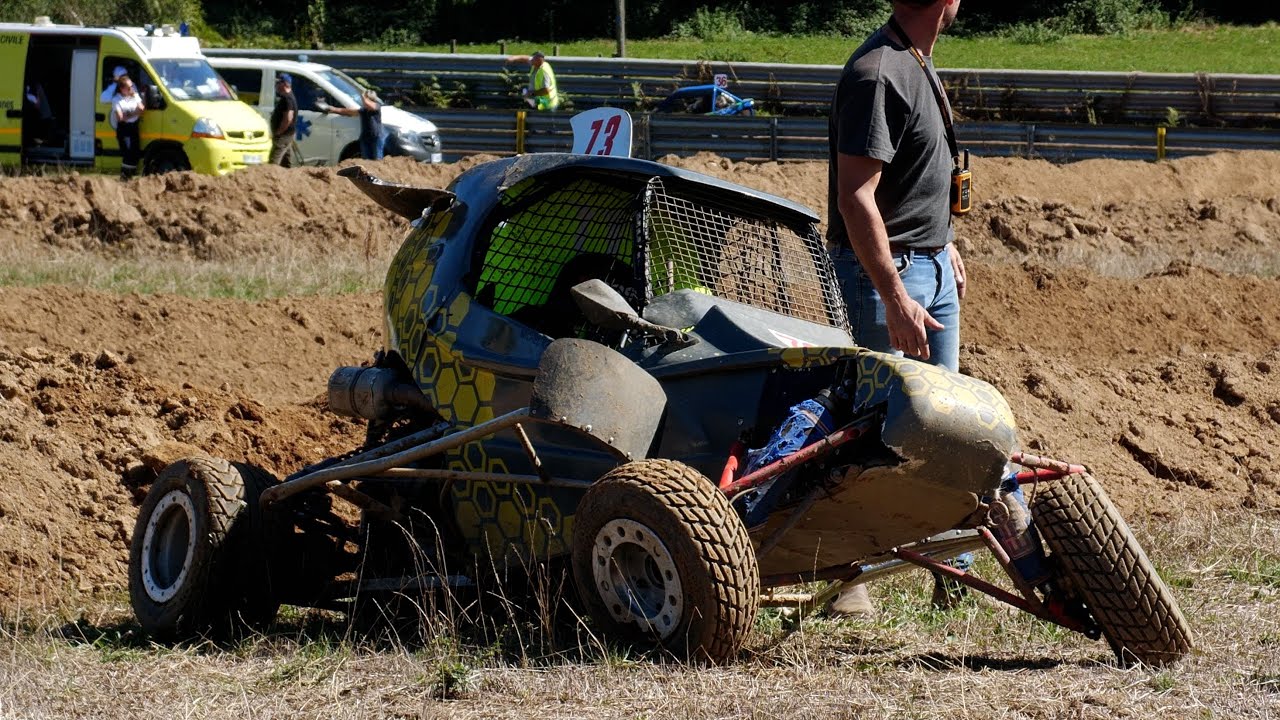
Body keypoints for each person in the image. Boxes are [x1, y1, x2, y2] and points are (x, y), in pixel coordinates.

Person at [826, 0, 970, 616]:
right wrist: (894, 294)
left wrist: (945, 244)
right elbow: (855, 195)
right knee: (871, 427)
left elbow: (915, 177)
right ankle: (844, 575)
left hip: (928, 265)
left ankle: (954, 567)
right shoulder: (877, 73)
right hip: (892, 276)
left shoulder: (917, 60)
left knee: (954, 426)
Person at [317, 90, 386, 160]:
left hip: (376, 137)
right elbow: (348, 112)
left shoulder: (376, 106)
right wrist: (333, 109)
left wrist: (363, 96)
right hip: (365, 137)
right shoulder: (363, 110)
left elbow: (370, 105)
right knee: (366, 160)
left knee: (377, 159)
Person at [111, 75, 145, 179]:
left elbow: (141, 109)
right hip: (124, 128)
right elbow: (120, 117)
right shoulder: (116, 99)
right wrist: (135, 113)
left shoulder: (135, 95)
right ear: (122, 89)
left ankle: (129, 178)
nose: (132, 89)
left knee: (135, 153)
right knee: (128, 154)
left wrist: (130, 114)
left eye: (132, 86)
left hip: (134, 127)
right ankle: (124, 178)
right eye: (129, 87)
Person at [269, 73, 298, 166]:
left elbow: (288, 118)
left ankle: (270, 178)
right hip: (287, 134)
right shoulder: (287, 97)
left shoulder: (287, 98)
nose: (276, 85)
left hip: (284, 135)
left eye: (278, 83)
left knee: (274, 160)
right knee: (286, 161)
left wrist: (279, 132)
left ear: (285, 84)